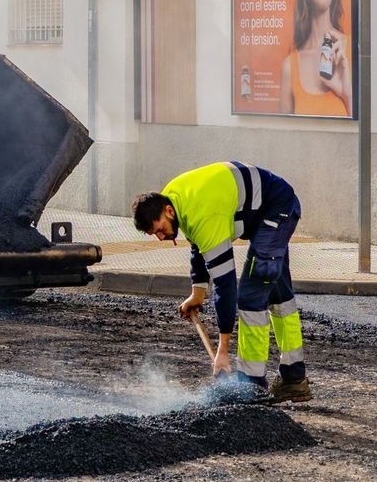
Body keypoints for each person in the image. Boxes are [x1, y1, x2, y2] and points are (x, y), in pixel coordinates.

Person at [131, 162, 312, 403]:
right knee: (279, 294)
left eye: (160, 229)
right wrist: (197, 294)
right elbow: (198, 245)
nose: (161, 237)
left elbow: (225, 285)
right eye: (155, 234)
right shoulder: (175, 197)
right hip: (269, 209)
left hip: (277, 210)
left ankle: (252, 386)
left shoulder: (204, 214)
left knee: (251, 294)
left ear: (168, 212)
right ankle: (294, 379)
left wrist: (222, 352)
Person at [278, 0, 351, 117]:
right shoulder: (290, 66)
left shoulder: (351, 52)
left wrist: (346, 94)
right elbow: (282, 137)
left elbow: (365, 133)